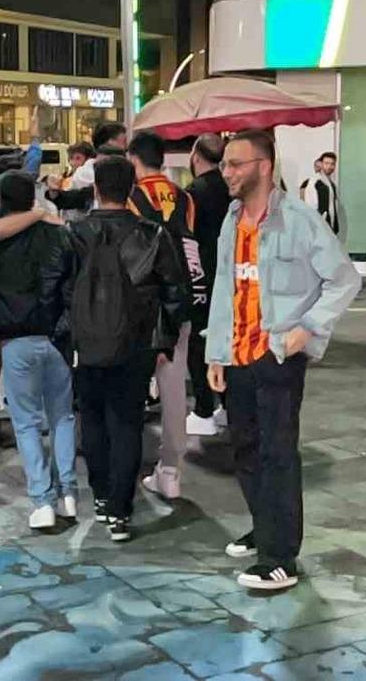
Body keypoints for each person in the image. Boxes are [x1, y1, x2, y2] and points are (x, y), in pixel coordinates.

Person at [206, 131, 360, 591]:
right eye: (224, 164)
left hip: (277, 355)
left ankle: (280, 558)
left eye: (236, 164)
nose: (227, 172)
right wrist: (216, 352)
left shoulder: (299, 219)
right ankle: (264, 527)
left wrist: (307, 328)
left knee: (277, 454)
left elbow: (344, 279)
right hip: (237, 354)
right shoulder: (231, 220)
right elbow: (224, 287)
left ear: (264, 166)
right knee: (245, 449)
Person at [65, 155, 187, 543]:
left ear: (95, 188)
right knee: (127, 423)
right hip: (137, 343)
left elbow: (57, 289)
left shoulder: (74, 234)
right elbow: (175, 292)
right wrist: (165, 341)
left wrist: (66, 337)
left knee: (92, 419)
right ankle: (120, 509)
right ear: (132, 189)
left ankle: (101, 496)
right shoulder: (153, 234)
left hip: (85, 345)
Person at [0, 171, 77, 530]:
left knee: (26, 423)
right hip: (59, 339)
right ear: (32, 199)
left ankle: (43, 501)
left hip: (15, 342)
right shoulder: (59, 234)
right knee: (62, 417)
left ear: (1, 201)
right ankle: (69, 495)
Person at [123, 131, 196, 501]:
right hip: (179, 299)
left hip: (142, 303)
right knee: (173, 388)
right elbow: (191, 248)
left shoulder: (131, 196)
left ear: (133, 159)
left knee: (130, 385)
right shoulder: (185, 197)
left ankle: (127, 464)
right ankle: (171, 471)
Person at [184, 133, 231, 437]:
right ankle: (227, 406)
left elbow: (186, 238)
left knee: (198, 342)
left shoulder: (193, 193)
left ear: (195, 156)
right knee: (227, 339)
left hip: (201, 275)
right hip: (230, 274)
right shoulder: (231, 187)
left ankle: (203, 409)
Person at [302, 152, 340, 235]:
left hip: (330, 226)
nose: (329, 166)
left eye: (332, 164)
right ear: (321, 164)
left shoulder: (331, 184)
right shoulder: (314, 181)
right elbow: (310, 205)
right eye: (326, 163)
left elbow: (332, 206)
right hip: (320, 227)